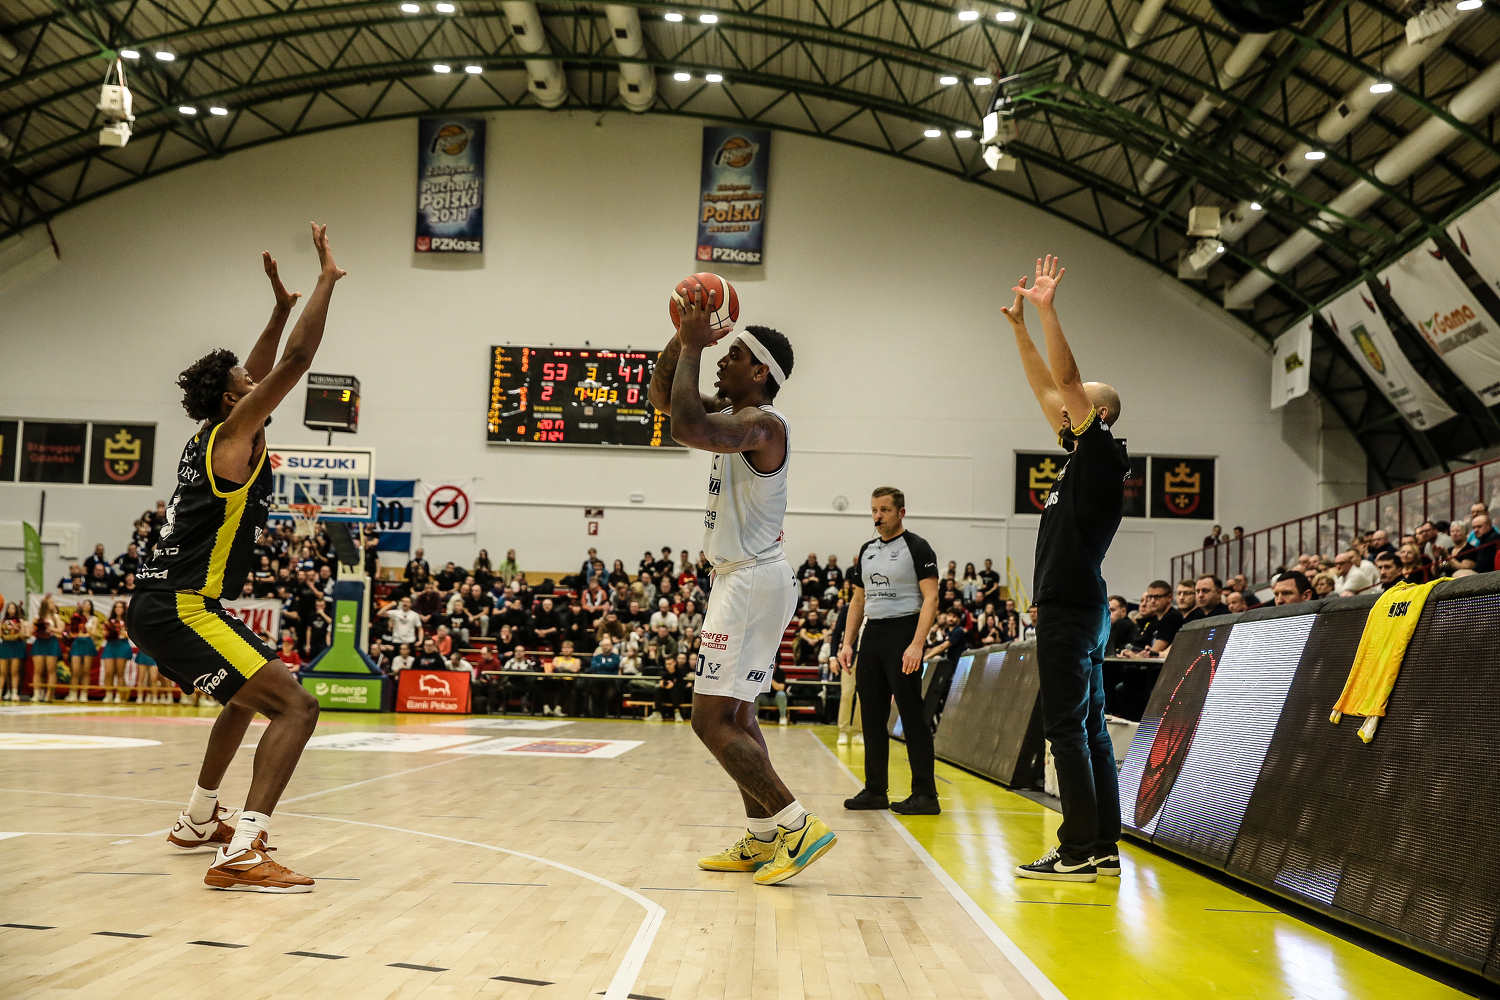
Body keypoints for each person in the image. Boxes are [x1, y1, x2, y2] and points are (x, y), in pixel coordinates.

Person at [125, 226, 343, 893]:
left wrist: (277, 309)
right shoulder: (232, 435)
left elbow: (264, 362)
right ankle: (244, 850)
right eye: (246, 382)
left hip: (168, 603)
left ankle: (198, 820)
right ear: (233, 400)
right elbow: (296, 360)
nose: (256, 379)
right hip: (180, 607)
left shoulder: (211, 433)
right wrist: (326, 281)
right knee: (298, 707)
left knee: (247, 698)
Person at [648, 283, 834, 886]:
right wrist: (681, 338)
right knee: (741, 717)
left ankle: (796, 824)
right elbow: (663, 400)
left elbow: (684, 425)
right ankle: (763, 837)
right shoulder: (736, 419)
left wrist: (694, 347)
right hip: (749, 580)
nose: (721, 360)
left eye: (733, 355)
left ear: (759, 372)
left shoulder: (762, 425)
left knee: (709, 720)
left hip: (750, 583)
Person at [1002, 254, 1127, 883]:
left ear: (1094, 416)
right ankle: (1102, 842)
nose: (1059, 406)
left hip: (1070, 609)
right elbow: (1047, 389)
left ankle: (1076, 849)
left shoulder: (1099, 452)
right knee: (1092, 731)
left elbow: (1067, 381)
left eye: (1074, 406)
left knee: (1067, 731)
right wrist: (1020, 328)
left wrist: (1049, 313)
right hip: (1085, 607)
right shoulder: (1080, 458)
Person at [838, 486, 942, 815]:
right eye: (874, 510)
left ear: (901, 513)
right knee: (870, 715)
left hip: (904, 631)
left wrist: (917, 644)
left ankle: (925, 794)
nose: (878, 516)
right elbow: (858, 600)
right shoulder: (867, 550)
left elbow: (931, 598)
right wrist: (847, 643)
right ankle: (875, 790)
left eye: (884, 510)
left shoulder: (917, 547)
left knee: (911, 714)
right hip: (873, 634)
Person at [64, 599, 102, 702]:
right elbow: (71, 630)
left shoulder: (93, 618)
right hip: (77, 642)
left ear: (91, 607)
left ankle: (84, 694)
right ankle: (73, 693)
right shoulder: (76, 617)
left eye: (89, 604)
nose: (86, 605)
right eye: (85, 604)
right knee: (75, 671)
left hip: (88, 643)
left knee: (86, 671)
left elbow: (94, 633)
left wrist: (86, 628)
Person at [30, 595, 64, 702]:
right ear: (45, 604)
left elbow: (61, 630)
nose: (53, 604)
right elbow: (33, 629)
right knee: (38, 670)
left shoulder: (55, 617)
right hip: (40, 643)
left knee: (51, 670)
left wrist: (51, 629)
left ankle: (49, 694)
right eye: (51, 602)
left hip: (51, 643)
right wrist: (37, 631)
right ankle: (37, 693)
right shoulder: (37, 617)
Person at [100, 600, 133, 703]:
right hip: (110, 646)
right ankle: (108, 694)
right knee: (108, 672)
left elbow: (131, 635)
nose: (118, 609)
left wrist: (122, 631)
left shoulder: (128, 621)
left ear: (124, 609)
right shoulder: (109, 621)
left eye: (120, 607)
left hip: (122, 645)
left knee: (120, 672)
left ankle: (119, 695)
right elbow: (104, 634)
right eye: (116, 607)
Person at [652, 650, 692, 722]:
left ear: (675, 663)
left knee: (675, 690)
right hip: (667, 695)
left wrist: (673, 685)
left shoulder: (680, 672)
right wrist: (662, 684)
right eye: (666, 664)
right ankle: (657, 713)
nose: (668, 666)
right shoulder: (664, 672)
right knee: (658, 689)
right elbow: (663, 682)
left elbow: (682, 685)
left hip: (679, 695)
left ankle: (677, 713)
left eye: (670, 664)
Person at [1, 602, 29, 701]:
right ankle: (3, 691)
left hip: (16, 645)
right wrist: (4, 633)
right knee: (3, 671)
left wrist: (18, 631)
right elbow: (1, 633)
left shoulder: (20, 622)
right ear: (7, 610)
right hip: (5, 645)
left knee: (14, 671)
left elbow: (26, 635)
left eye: (13, 608)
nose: (11, 610)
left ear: (16, 610)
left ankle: (14, 692)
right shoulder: (3, 622)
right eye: (9, 608)